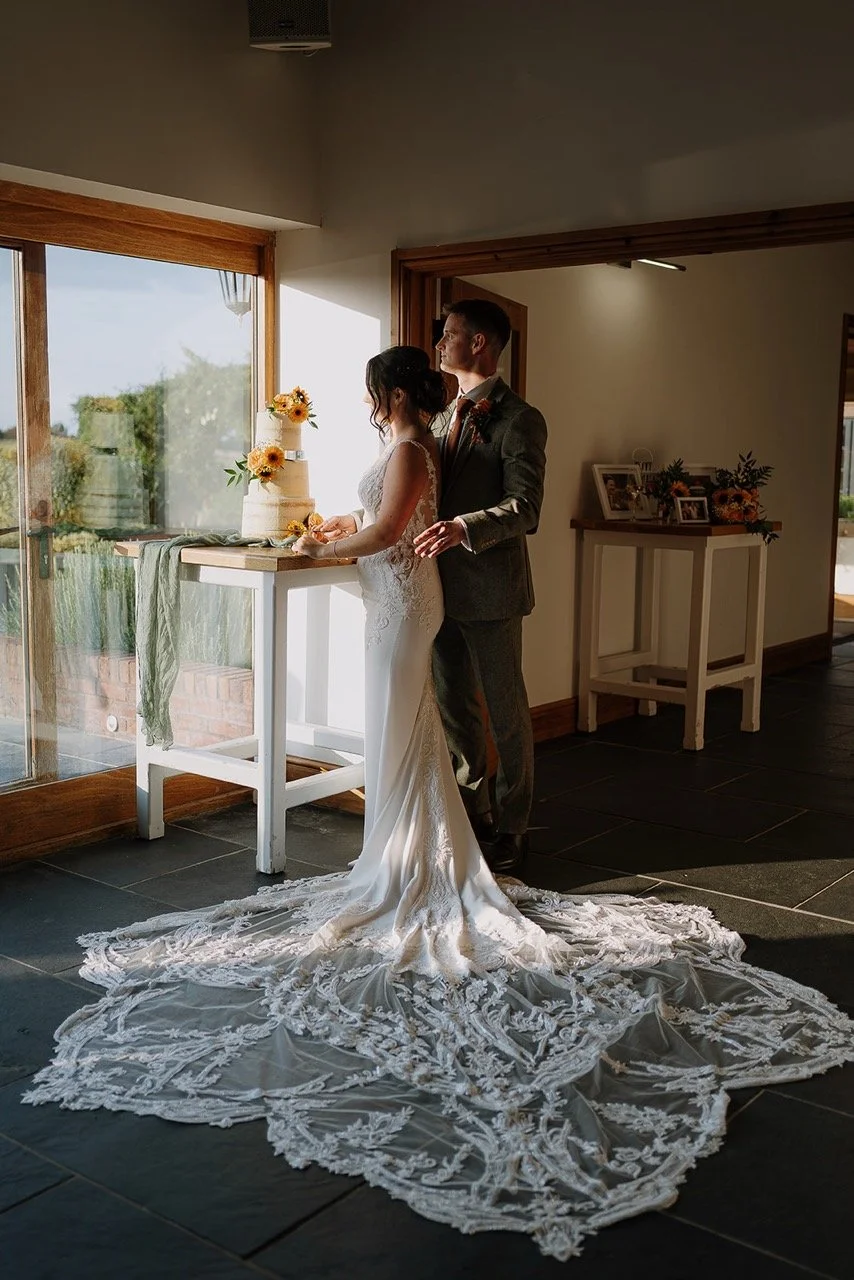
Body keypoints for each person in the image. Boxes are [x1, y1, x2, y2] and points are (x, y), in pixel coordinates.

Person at [24, 346, 854, 1265]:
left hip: (400, 599)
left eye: (369, 391)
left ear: (385, 395)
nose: (369, 402)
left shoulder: (417, 444)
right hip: (393, 594)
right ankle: (408, 849)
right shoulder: (415, 445)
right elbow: (386, 516)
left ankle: (418, 862)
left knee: (404, 727)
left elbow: (386, 535)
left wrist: (317, 544)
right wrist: (337, 526)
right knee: (404, 733)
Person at [413, 299, 546, 875]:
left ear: (481, 345)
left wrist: (465, 526)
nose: (441, 344)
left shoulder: (519, 418)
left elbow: (526, 508)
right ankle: (473, 816)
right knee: (456, 712)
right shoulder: (440, 418)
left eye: (450, 335)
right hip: (438, 589)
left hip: (492, 589)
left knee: (506, 712)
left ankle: (515, 826)